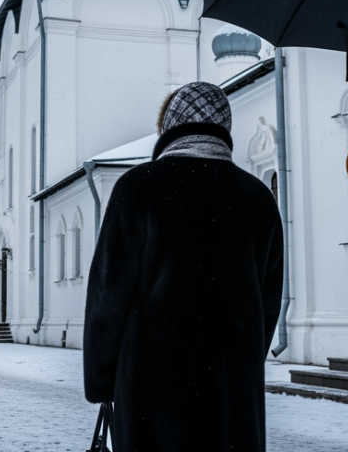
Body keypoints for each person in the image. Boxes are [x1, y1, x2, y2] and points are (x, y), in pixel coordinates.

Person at [83, 82, 284, 452]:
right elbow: (268, 306)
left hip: (152, 396)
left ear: (169, 128)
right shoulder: (259, 200)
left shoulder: (138, 189)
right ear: (224, 130)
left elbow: (107, 297)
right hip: (233, 400)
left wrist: (100, 379)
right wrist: (240, 362)